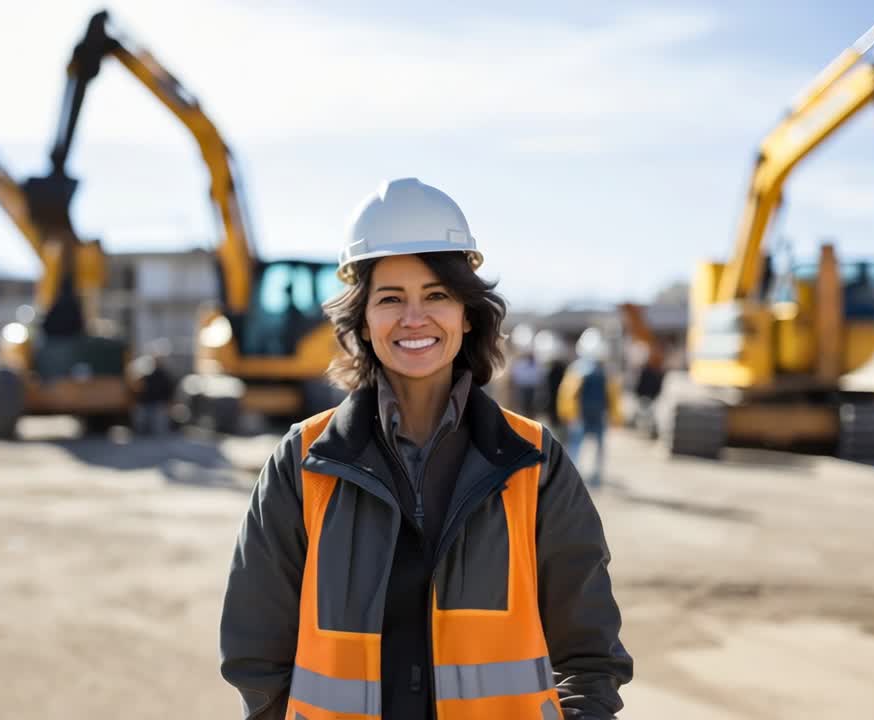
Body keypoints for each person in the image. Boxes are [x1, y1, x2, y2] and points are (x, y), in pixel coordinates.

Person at [220, 178, 632, 719]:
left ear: (467, 312)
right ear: (363, 320)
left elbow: (589, 656)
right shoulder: (302, 463)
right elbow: (256, 653)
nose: (414, 318)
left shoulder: (535, 461)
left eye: (436, 295)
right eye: (391, 298)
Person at [558, 328, 612, 487]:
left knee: (597, 448)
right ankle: (573, 477)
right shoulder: (578, 369)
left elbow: (610, 394)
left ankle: (596, 476)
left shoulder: (603, 370)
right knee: (576, 446)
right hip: (581, 416)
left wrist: (613, 414)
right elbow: (568, 395)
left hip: (598, 415)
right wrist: (570, 414)